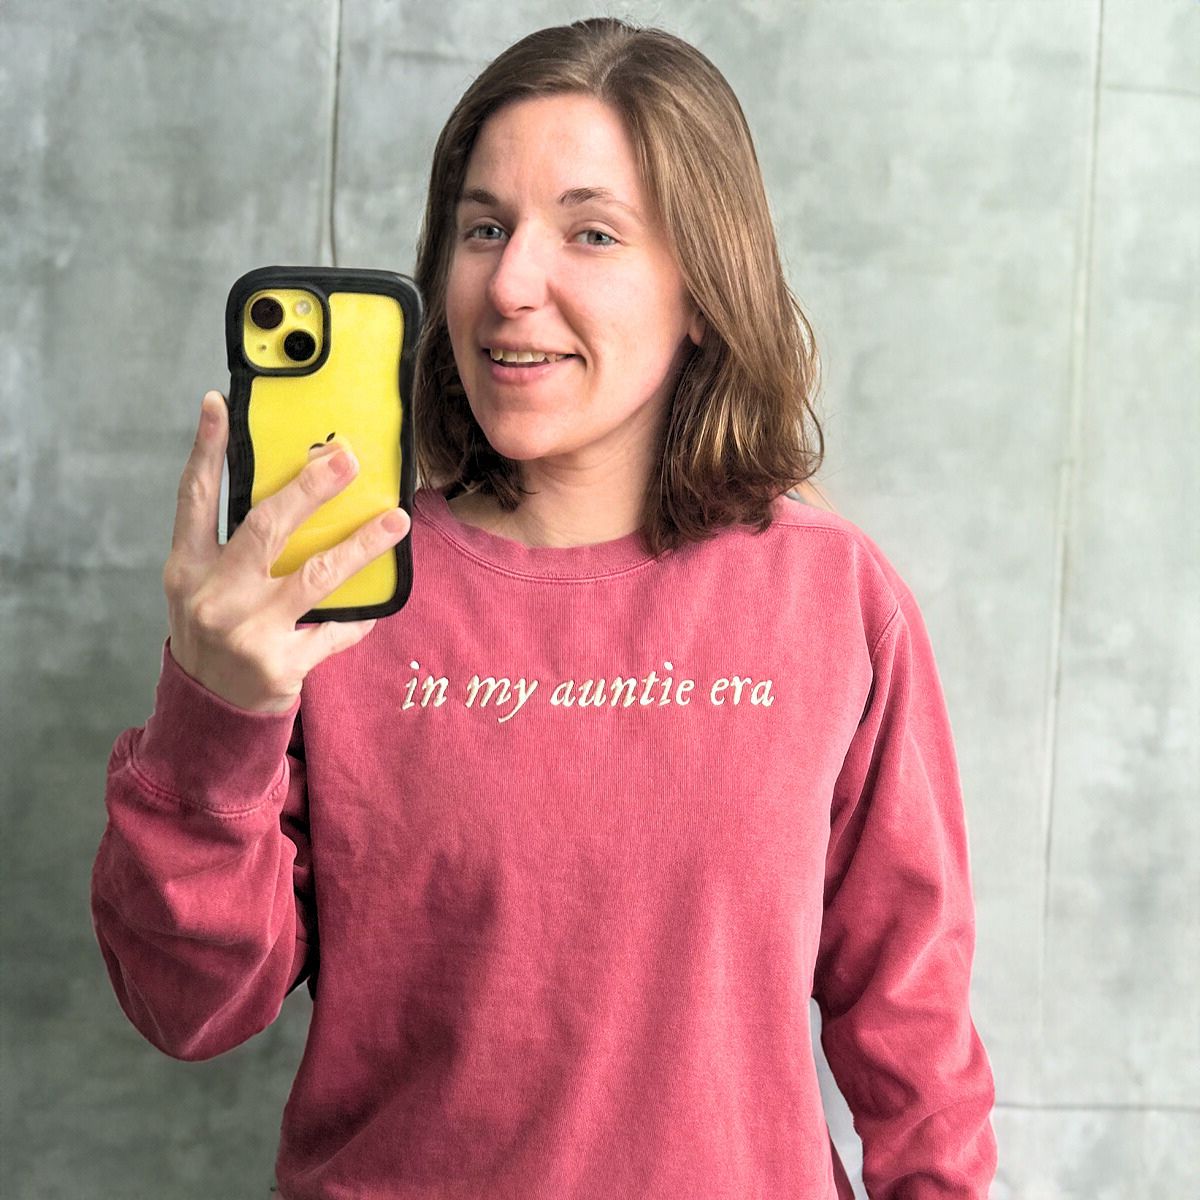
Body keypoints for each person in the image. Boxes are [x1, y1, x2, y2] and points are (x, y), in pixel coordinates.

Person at [90, 16, 998, 1200]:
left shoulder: (831, 598)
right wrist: (216, 710)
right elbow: (188, 1007)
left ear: (703, 295)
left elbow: (915, 1036)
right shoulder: (327, 600)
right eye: (482, 228)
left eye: (590, 232)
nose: (511, 284)